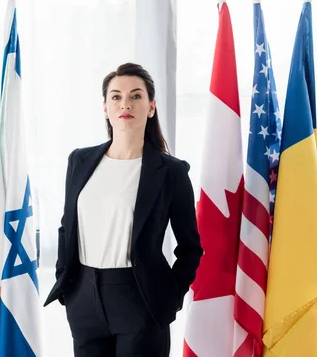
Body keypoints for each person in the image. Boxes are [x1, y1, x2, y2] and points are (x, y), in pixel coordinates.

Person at [44, 63, 203, 356]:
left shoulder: (171, 171)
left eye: (136, 96)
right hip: (84, 299)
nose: (125, 104)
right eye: (115, 97)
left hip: (140, 298)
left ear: (151, 107)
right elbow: (68, 227)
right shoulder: (80, 161)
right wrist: (66, 283)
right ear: (105, 107)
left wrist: (170, 297)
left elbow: (190, 247)